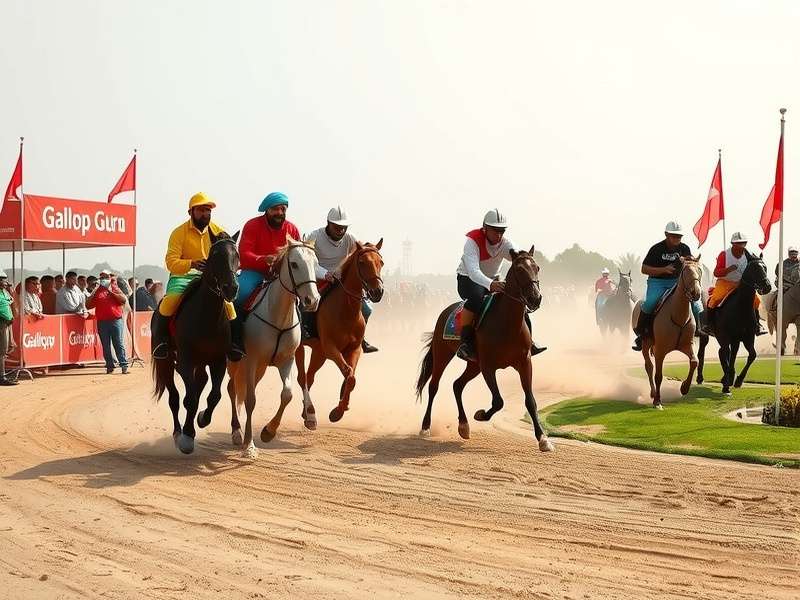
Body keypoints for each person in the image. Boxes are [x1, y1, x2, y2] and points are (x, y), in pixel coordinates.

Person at [150, 192, 242, 361]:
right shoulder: (178, 233)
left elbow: (231, 255)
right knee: (170, 301)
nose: (205, 214)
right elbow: (171, 262)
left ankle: (235, 344)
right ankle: (160, 342)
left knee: (230, 307)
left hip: (212, 278)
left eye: (208, 210)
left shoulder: (219, 231)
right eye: (201, 210)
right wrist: (191, 263)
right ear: (191, 212)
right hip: (183, 275)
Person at [455, 209, 547, 361]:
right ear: (485, 228)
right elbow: (473, 271)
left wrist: (528, 263)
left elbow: (519, 257)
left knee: (517, 300)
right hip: (468, 280)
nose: (499, 235)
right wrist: (491, 284)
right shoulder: (472, 242)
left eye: (502, 231)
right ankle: (466, 344)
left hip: (494, 279)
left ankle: (530, 342)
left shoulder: (506, 244)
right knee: (477, 299)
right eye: (495, 231)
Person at [303, 206, 378, 353]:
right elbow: (307, 261)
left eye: (343, 227)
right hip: (320, 278)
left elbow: (362, 250)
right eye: (337, 227)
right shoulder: (314, 236)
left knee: (367, 309)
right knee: (309, 304)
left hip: (342, 280)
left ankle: (360, 339)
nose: (341, 230)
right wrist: (325, 274)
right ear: (328, 223)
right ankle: (306, 332)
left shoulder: (350, 238)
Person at [631, 221, 706, 351]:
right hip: (657, 282)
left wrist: (692, 262)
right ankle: (642, 335)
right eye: (673, 236)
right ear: (666, 234)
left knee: (696, 303)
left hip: (678, 282)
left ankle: (701, 329)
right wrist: (663, 269)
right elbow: (644, 269)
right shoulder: (656, 249)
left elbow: (690, 264)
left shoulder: (684, 248)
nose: (677, 239)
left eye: (679, 236)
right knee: (650, 302)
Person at [706, 232, 765, 335]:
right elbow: (716, 272)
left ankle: (758, 325)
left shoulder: (749, 255)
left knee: (756, 300)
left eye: (743, 243)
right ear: (732, 244)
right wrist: (728, 270)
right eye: (738, 243)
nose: (741, 245)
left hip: (741, 284)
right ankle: (708, 325)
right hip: (725, 282)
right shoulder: (724, 255)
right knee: (715, 299)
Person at [86, 270, 129, 374]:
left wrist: (111, 292)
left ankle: (123, 365)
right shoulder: (97, 291)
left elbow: (123, 301)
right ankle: (110, 366)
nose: (103, 279)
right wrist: (94, 292)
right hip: (102, 322)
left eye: (105, 277)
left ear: (110, 278)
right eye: (101, 277)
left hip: (116, 321)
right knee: (106, 345)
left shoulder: (115, 287)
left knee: (118, 344)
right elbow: (88, 305)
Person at [0, 272, 18, 386]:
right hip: (1, 323)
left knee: (6, 349)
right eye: (3, 280)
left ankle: (3, 374)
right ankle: (2, 376)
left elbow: (13, 305)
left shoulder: (5, 292)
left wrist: (12, 292)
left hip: (7, 323)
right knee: (1, 351)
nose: (5, 282)